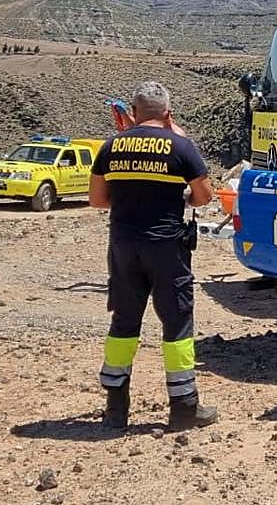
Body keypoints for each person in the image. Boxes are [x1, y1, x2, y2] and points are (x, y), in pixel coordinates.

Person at [89, 81, 218, 431]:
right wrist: (179, 201)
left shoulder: (110, 146)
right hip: (166, 248)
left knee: (124, 324)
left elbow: (98, 200)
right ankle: (184, 407)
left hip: (124, 246)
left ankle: (116, 409)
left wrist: (131, 201)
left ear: (132, 113)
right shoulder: (180, 146)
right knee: (176, 324)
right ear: (168, 113)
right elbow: (203, 196)